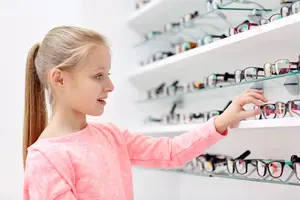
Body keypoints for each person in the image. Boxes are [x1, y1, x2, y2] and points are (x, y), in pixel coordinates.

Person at [23, 26, 267, 200]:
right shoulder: (45, 159)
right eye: (98, 75)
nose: (110, 86)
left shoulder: (110, 135)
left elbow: (170, 152)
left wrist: (222, 120)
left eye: (108, 74)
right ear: (59, 79)